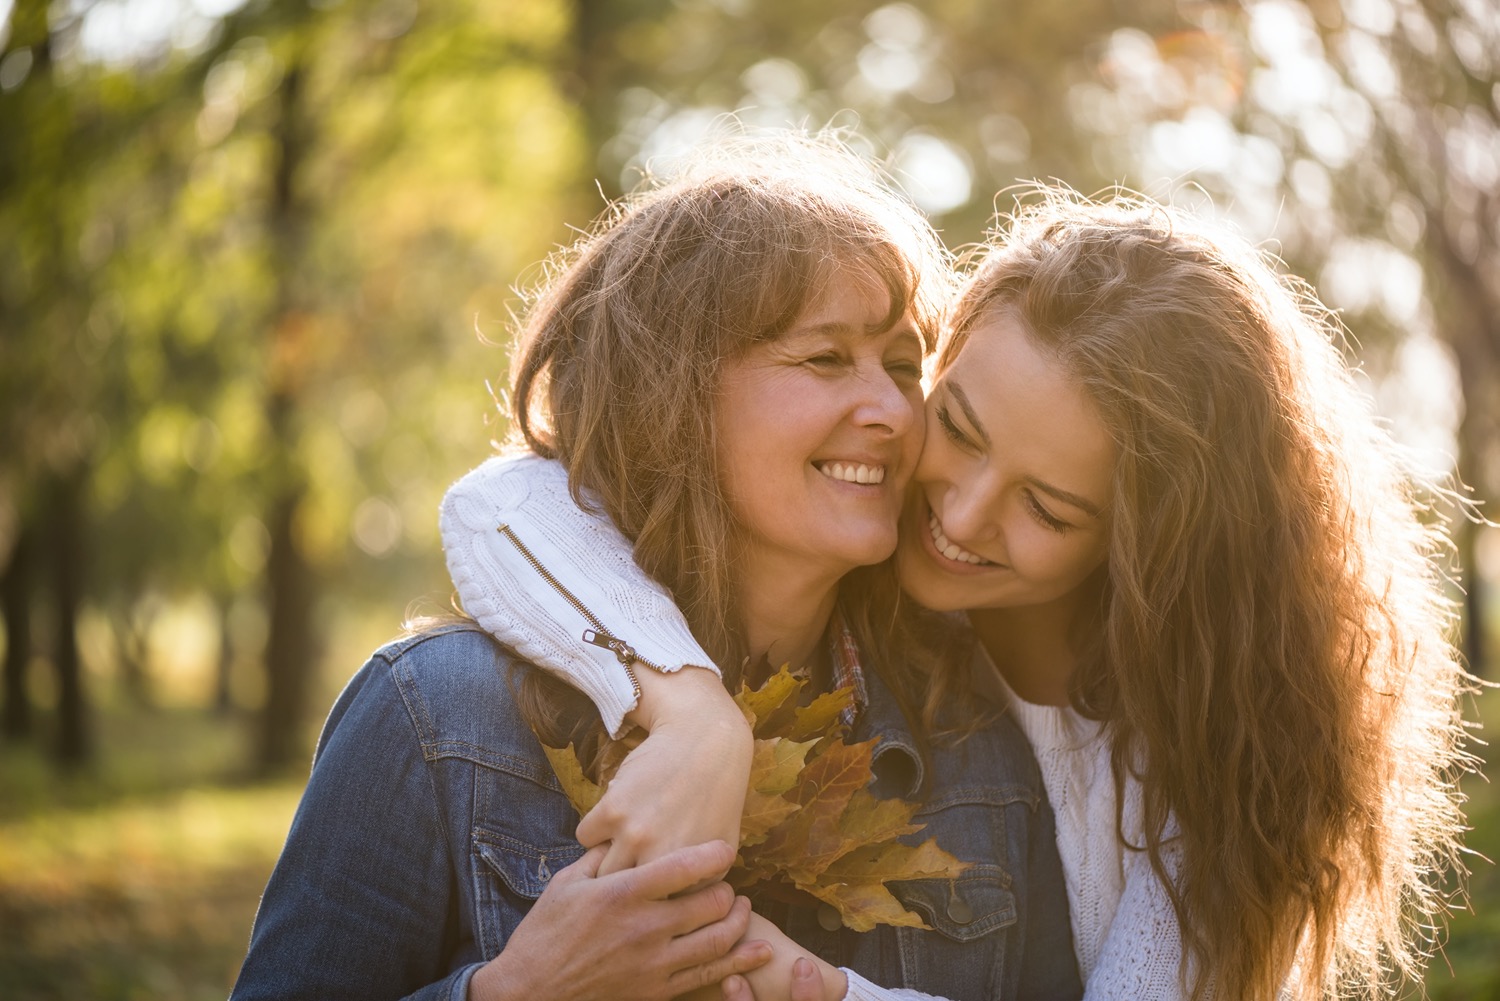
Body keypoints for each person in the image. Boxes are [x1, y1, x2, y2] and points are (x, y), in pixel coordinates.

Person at [447, 189, 1475, 1000]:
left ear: (1152, 551)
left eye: (1049, 507)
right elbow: (502, 502)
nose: (962, 514)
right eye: (962, 426)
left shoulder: (1213, 759)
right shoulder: (864, 591)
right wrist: (691, 710)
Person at [231, 137, 1083, 1001]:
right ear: (669, 394)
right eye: (826, 358)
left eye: (904, 368)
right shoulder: (437, 717)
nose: (893, 412)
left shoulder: (971, 750)